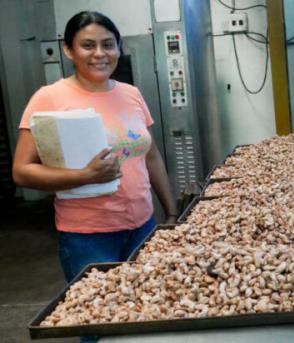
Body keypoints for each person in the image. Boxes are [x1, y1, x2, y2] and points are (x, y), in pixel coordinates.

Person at [12, 11, 178, 282]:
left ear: (118, 47)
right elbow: (22, 171)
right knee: (102, 317)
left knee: (148, 309)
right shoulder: (49, 97)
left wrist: (171, 212)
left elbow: (152, 157)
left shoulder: (131, 94)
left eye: (108, 44)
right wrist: (85, 176)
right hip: (88, 236)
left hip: (143, 226)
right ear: (68, 49)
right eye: (88, 45)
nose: (100, 53)